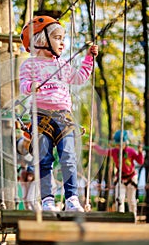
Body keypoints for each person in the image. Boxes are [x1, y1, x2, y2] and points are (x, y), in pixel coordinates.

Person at [19, 15, 98, 212]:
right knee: (44, 159)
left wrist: (89, 58)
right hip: (41, 116)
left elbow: (79, 78)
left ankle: (72, 198)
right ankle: (47, 200)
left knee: (68, 157)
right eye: (57, 38)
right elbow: (23, 86)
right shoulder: (29, 65)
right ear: (42, 40)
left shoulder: (62, 65)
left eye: (63, 38)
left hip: (64, 116)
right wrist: (32, 86)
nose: (62, 42)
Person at [92, 130, 144, 220]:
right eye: (117, 144)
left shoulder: (131, 151)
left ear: (125, 143)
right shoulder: (114, 151)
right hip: (120, 178)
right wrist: (94, 146)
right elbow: (102, 152)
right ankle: (121, 218)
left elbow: (140, 161)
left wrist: (140, 152)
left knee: (132, 200)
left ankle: (134, 218)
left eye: (120, 144)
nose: (119, 146)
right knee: (119, 199)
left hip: (131, 178)